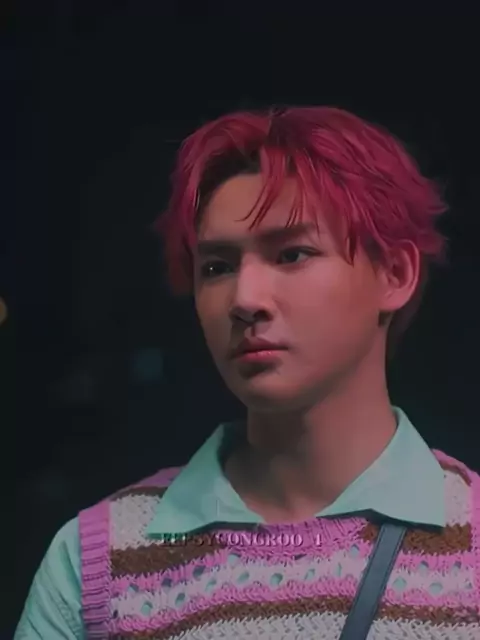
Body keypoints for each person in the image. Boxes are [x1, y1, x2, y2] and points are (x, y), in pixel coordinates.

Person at [15, 107, 480, 639]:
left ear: (394, 274)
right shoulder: (98, 564)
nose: (245, 298)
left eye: (292, 254)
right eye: (217, 267)